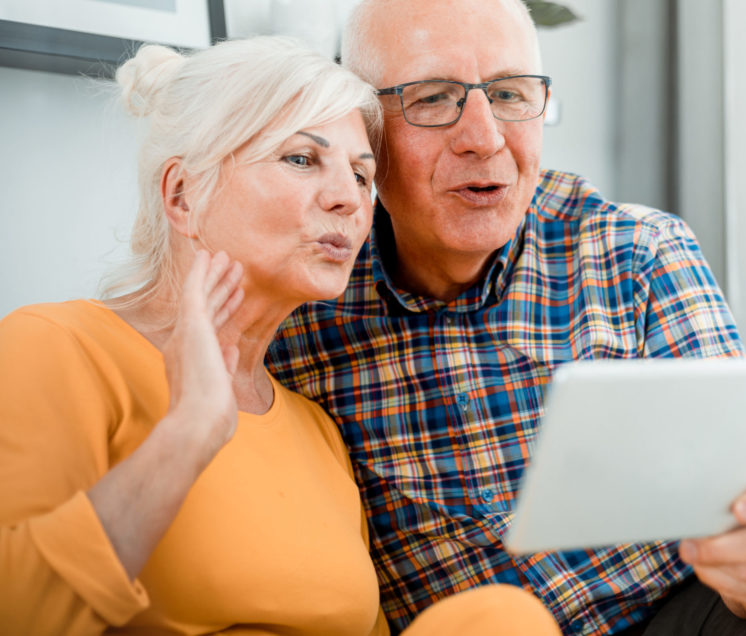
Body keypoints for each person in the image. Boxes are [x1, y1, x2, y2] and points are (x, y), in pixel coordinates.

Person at [266, 1, 746, 634]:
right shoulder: (301, 310)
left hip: (687, 609)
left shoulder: (637, 252)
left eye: (509, 94)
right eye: (431, 97)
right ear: (363, 129)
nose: (484, 136)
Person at [0, 36, 561, 635]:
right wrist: (188, 433)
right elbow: (20, 615)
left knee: (502, 619)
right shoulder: (55, 347)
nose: (348, 198)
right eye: (301, 159)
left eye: (361, 173)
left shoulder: (316, 430)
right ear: (182, 196)